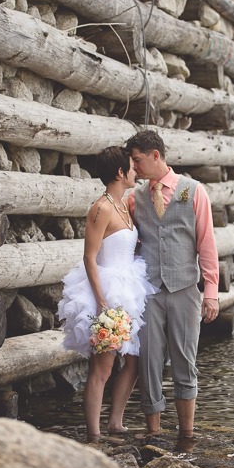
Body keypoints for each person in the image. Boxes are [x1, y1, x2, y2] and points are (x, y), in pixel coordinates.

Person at [57, 146, 157, 442]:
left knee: (135, 360)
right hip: (107, 289)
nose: (136, 171)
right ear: (119, 173)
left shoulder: (124, 204)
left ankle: (116, 422)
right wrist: (101, 301)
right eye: (132, 166)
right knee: (103, 366)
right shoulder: (100, 208)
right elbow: (90, 257)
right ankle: (95, 435)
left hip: (130, 287)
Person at [126, 130, 219, 441]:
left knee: (184, 359)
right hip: (149, 292)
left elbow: (206, 244)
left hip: (184, 290)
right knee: (149, 360)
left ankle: (187, 434)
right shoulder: (135, 198)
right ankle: (153, 432)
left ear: (156, 156)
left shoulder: (193, 191)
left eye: (138, 160)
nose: (134, 167)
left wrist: (211, 293)